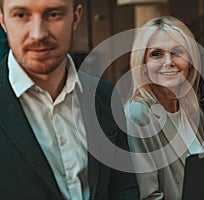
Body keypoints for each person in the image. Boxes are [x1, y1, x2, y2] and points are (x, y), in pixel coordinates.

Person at [0, 0, 139, 199]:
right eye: (21, 15)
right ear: (3, 20)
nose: (38, 34)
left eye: (54, 14)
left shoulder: (105, 96)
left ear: (76, 16)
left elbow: (124, 188)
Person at [124, 16, 204, 200]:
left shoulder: (194, 113)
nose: (168, 62)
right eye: (156, 54)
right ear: (143, 65)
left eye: (177, 52)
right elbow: (148, 195)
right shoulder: (138, 115)